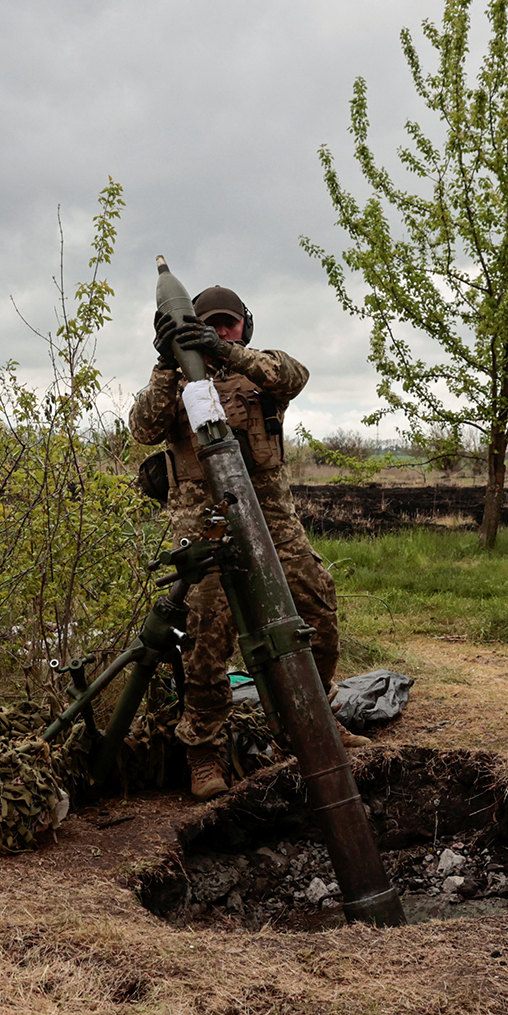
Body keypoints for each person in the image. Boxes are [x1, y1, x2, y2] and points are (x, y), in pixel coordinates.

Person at [128, 284, 367, 802]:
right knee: (206, 637)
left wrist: (225, 352)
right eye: (208, 324)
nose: (219, 330)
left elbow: (295, 374)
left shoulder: (257, 370)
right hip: (206, 523)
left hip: (273, 521)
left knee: (317, 610)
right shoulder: (175, 380)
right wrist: (167, 361)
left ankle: (314, 721)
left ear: (244, 326)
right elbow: (144, 427)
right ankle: (204, 751)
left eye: (228, 323)